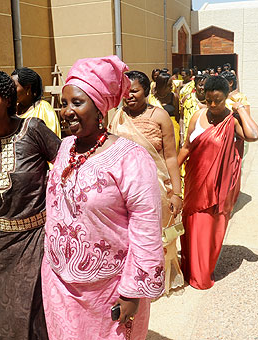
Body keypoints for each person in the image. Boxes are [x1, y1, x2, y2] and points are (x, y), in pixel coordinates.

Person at [42, 55, 164, 340]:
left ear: (100, 108)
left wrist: (133, 291)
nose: (66, 111)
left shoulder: (131, 159)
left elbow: (146, 227)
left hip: (110, 292)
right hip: (60, 287)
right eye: (64, 103)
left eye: (77, 103)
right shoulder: (64, 148)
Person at [0, 70, 61, 339]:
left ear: (8, 100)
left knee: (38, 309)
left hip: (36, 238)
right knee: (3, 311)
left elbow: (66, 168)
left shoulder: (33, 129)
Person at [177, 76, 258, 290]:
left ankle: (202, 275)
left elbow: (253, 135)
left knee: (209, 233)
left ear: (227, 98)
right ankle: (189, 271)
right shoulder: (197, 115)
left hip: (218, 190)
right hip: (195, 184)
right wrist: (171, 172)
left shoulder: (231, 121)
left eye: (218, 100)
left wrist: (240, 109)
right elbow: (186, 147)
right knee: (191, 229)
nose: (213, 105)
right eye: (208, 100)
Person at [109, 70, 184, 294]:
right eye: (125, 92)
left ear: (147, 90)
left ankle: (156, 281)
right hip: (123, 188)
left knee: (155, 238)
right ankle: (132, 282)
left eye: (134, 91)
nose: (129, 96)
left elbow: (171, 157)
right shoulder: (117, 115)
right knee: (128, 238)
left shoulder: (159, 116)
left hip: (155, 187)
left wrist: (177, 193)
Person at [11, 67, 61, 137]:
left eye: (14, 87)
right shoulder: (11, 109)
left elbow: (52, 140)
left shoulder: (44, 109)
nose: (11, 91)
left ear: (27, 88)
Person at [148, 72, 180, 150]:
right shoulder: (151, 99)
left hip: (172, 129)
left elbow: (178, 116)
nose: (171, 87)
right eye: (169, 85)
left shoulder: (174, 97)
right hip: (155, 130)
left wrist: (180, 134)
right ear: (161, 85)